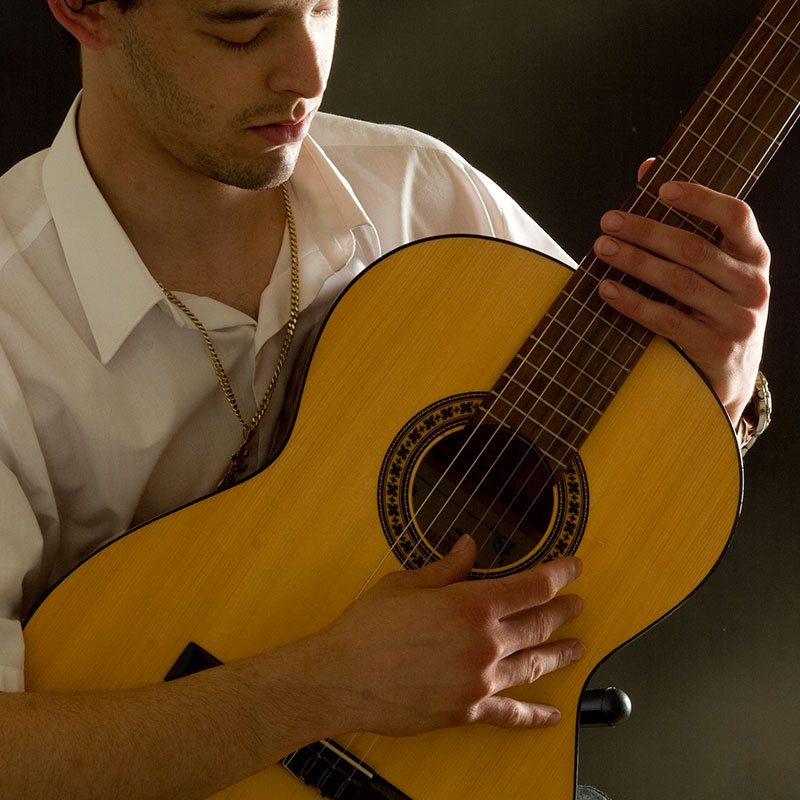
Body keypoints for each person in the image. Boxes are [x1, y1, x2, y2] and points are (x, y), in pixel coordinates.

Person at [0, 1, 771, 798]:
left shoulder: (422, 196)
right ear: (85, 10)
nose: (306, 74)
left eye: (322, 7)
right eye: (241, 26)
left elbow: (604, 484)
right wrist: (322, 689)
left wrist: (718, 387)